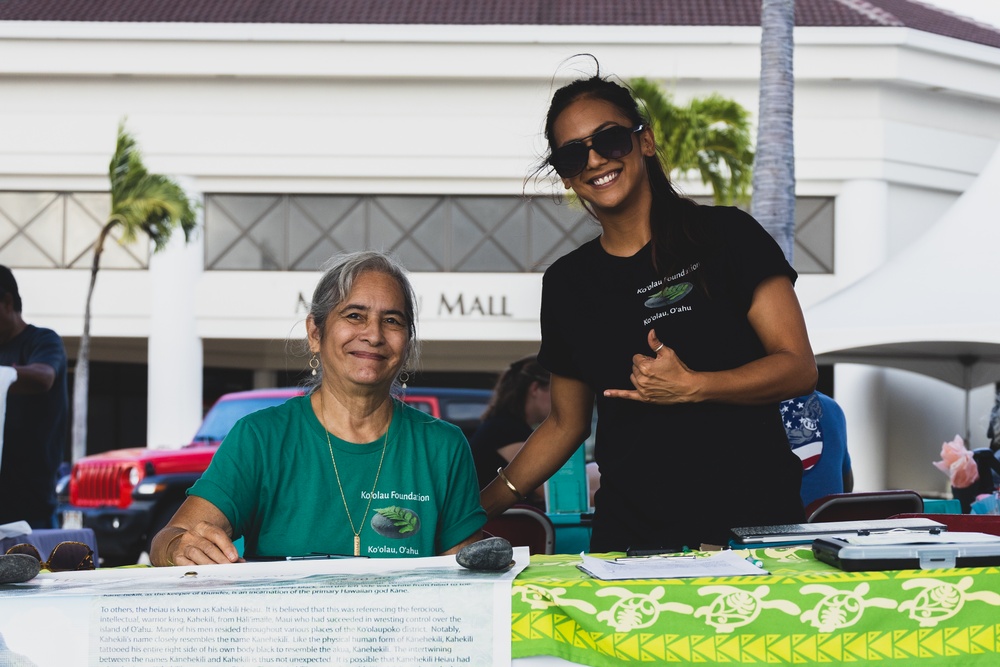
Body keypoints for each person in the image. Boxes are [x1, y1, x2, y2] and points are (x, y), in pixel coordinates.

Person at [480, 70, 817, 552]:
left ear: (646, 141)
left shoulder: (727, 236)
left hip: (751, 531)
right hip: (633, 541)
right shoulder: (567, 284)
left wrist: (696, 386)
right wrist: (478, 508)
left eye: (610, 140)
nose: (595, 159)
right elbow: (564, 424)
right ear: (567, 174)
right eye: (574, 153)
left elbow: (798, 367)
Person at [151, 251, 485, 565]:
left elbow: (464, 581)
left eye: (393, 321)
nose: (373, 334)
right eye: (354, 316)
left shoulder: (443, 447)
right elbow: (168, 539)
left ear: (407, 343)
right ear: (315, 332)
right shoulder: (262, 438)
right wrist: (179, 548)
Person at [0, 266, 69, 529]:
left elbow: (43, 377)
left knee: (37, 568)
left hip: (32, 505)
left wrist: (5, 376)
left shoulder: (43, 341)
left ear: (7, 302)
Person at [469, 355, 552, 506]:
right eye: (555, 391)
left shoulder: (503, 426)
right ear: (535, 388)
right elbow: (551, 492)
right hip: (499, 525)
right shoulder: (506, 431)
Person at [780, 391, 853, 508]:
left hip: (769, 523)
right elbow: (846, 488)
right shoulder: (832, 407)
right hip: (828, 521)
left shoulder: (749, 408)